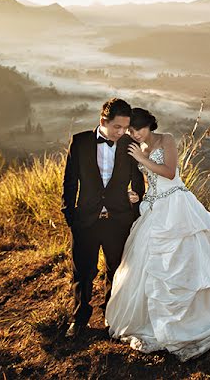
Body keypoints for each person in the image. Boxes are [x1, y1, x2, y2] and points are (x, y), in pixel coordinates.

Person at [105, 107, 210, 361]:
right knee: (150, 263)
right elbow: (146, 182)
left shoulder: (166, 140)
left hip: (176, 204)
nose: (135, 134)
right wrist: (135, 195)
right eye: (130, 130)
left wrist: (142, 159)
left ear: (149, 125)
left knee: (188, 257)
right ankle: (153, 320)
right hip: (153, 207)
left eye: (138, 129)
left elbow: (169, 172)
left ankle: (199, 317)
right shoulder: (134, 146)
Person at [62, 98, 145, 339]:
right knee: (83, 272)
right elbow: (69, 182)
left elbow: (138, 180)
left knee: (117, 270)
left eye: (126, 127)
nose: (122, 132)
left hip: (118, 220)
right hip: (85, 220)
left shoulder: (130, 144)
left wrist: (136, 199)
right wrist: (70, 216)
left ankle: (112, 315)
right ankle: (79, 318)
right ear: (102, 122)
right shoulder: (80, 142)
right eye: (117, 127)